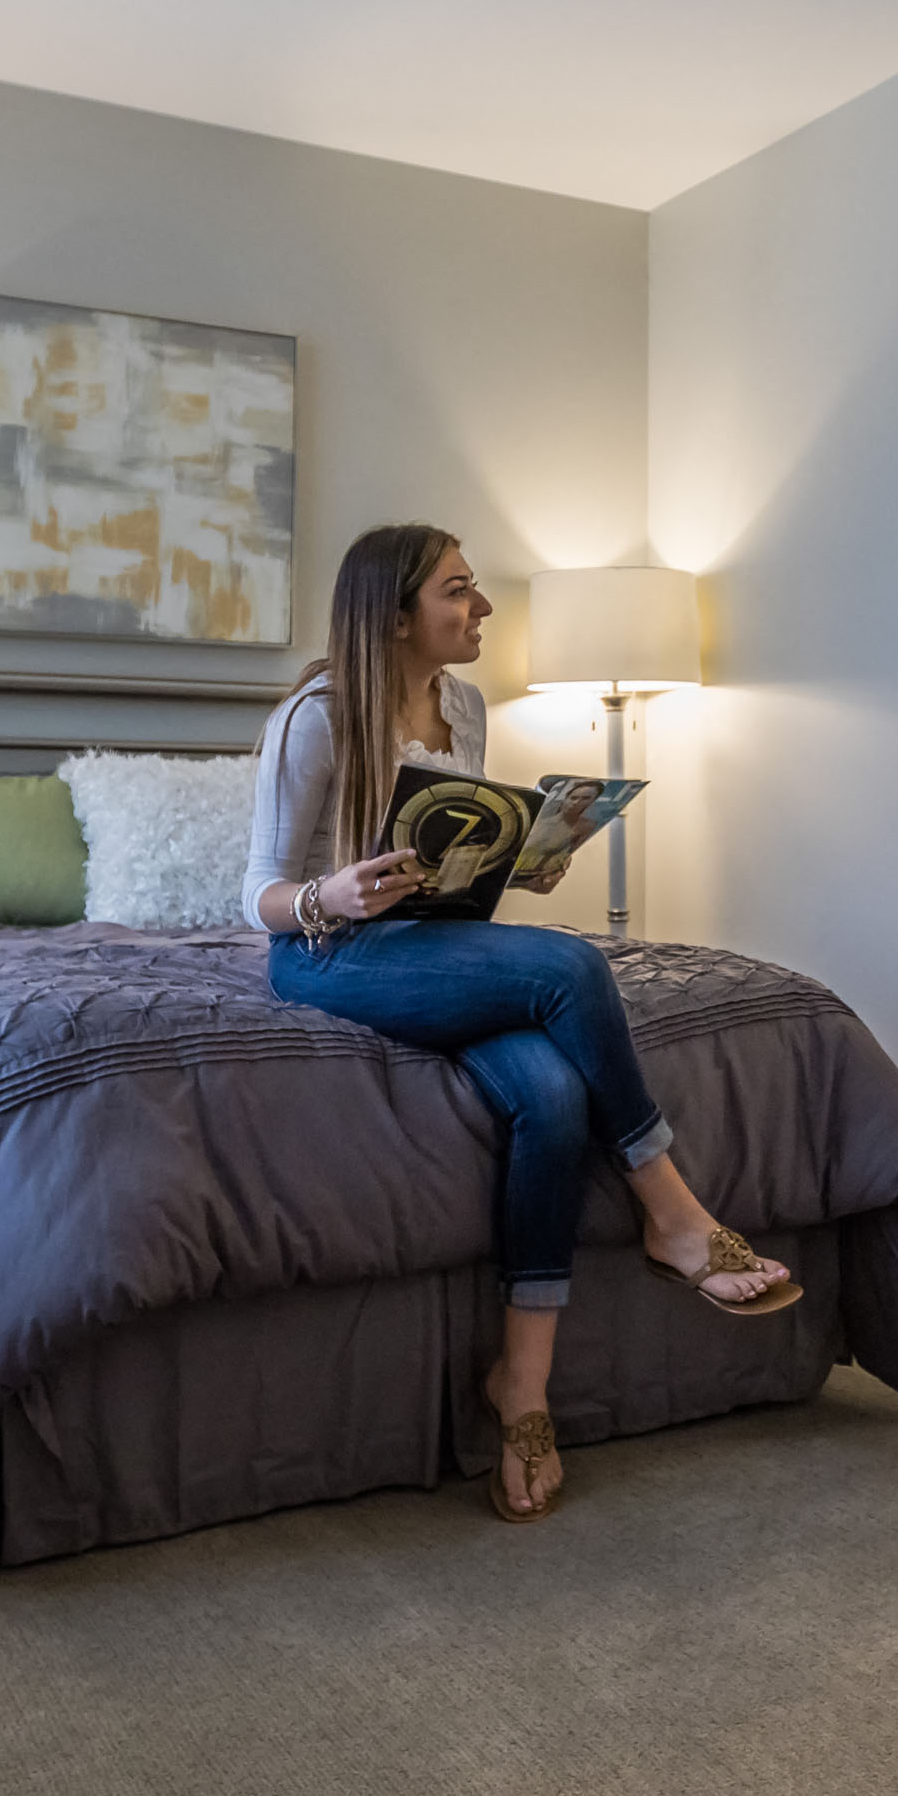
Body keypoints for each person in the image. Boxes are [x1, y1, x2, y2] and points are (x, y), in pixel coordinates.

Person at [248, 523, 800, 1523]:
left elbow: (458, 880)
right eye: (459, 590)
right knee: (572, 964)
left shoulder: (461, 706)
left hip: (430, 952)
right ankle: (674, 1215)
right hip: (329, 955)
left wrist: (516, 860)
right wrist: (334, 891)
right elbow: (257, 894)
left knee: (548, 1094)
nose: (483, 609)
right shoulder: (316, 719)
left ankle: (524, 1391)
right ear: (395, 611)